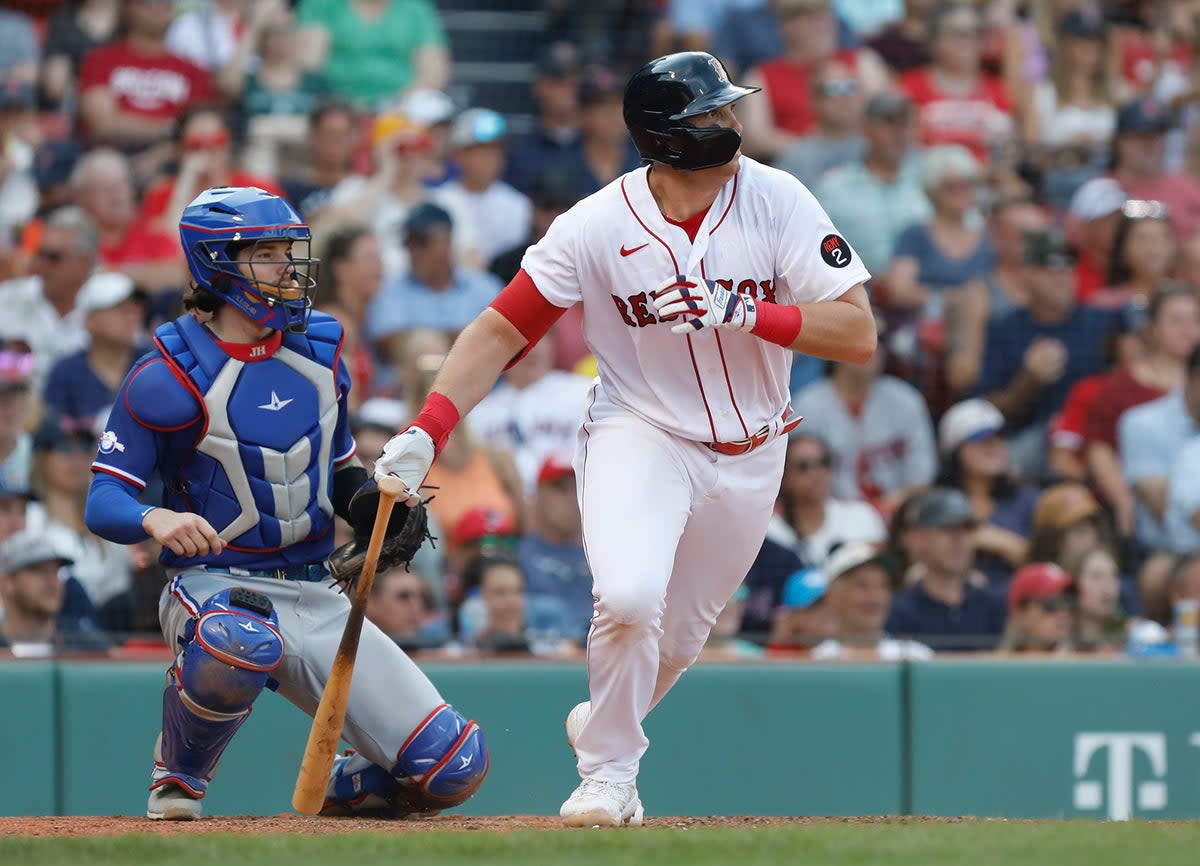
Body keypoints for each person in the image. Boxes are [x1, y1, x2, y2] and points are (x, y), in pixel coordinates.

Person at [369, 52, 876, 827]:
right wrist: (428, 427)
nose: (730, 123)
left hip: (754, 447)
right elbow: (502, 328)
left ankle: (605, 719)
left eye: (727, 109)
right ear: (665, 136)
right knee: (630, 599)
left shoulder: (778, 198)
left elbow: (857, 331)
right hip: (643, 431)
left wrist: (749, 313)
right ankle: (608, 775)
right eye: (710, 114)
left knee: (678, 638)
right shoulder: (596, 224)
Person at [82, 186, 487, 820]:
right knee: (237, 643)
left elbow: (336, 469)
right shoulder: (168, 373)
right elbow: (104, 498)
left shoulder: (322, 351)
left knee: (452, 768)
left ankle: (340, 794)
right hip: (215, 582)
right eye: (268, 254)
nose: (290, 269)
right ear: (217, 263)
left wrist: (371, 504)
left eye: (289, 252)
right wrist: (154, 517)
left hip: (316, 588)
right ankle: (179, 775)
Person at [810, 541, 933, 660]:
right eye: (862, 585)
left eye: (883, 586)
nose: (875, 598)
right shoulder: (815, 663)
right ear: (832, 596)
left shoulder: (917, 657)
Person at [995, 561, 1075, 654]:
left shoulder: (1087, 662)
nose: (1063, 614)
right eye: (1051, 604)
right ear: (1021, 613)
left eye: (1070, 602)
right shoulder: (991, 666)